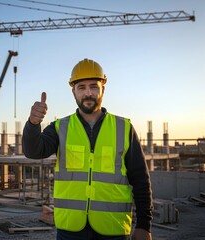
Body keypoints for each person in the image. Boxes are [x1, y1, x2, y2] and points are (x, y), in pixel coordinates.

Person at [22, 59, 153, 240]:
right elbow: (33, 151)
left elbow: (140, 180)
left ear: (103, 89)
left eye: (94, 86)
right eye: (81, 87)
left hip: (113, 229)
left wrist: (144, 226)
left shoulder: (123, 128)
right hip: (70, 230)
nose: (88, 93)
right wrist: (33, 124)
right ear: (73, 92)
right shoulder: (61, 127)